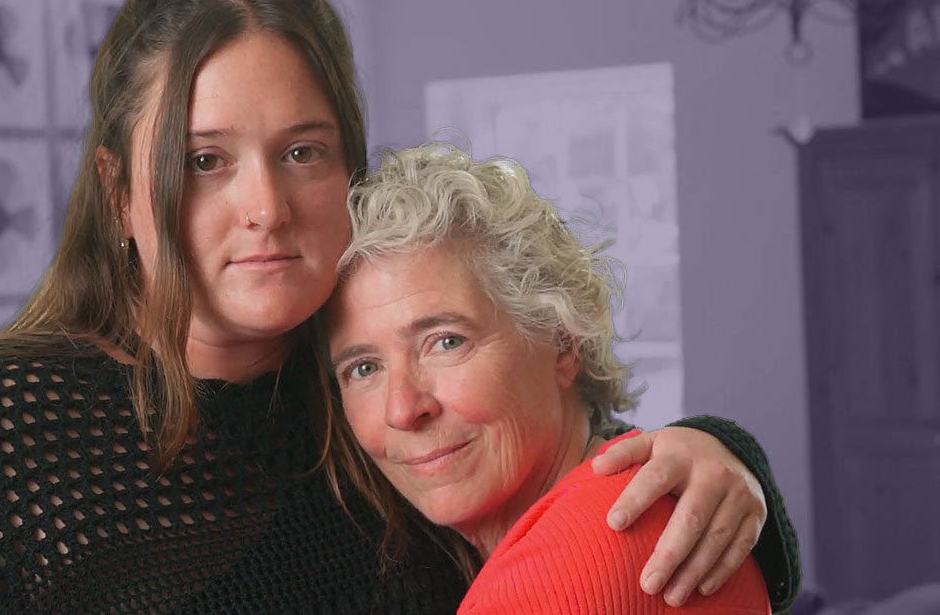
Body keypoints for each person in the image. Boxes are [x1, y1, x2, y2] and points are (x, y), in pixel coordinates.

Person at [0, 0, 798, 613]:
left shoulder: (369, 403)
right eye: (203, 161)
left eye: (301, 150)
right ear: (122, 194)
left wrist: (723, 461)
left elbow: (572, 520)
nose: (264, 207)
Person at [324, 143, 776, 613]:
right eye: (364, 368)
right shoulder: (632, 501)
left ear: (562, 343)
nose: (402, 409)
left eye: (446, 342)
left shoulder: (579, 560)